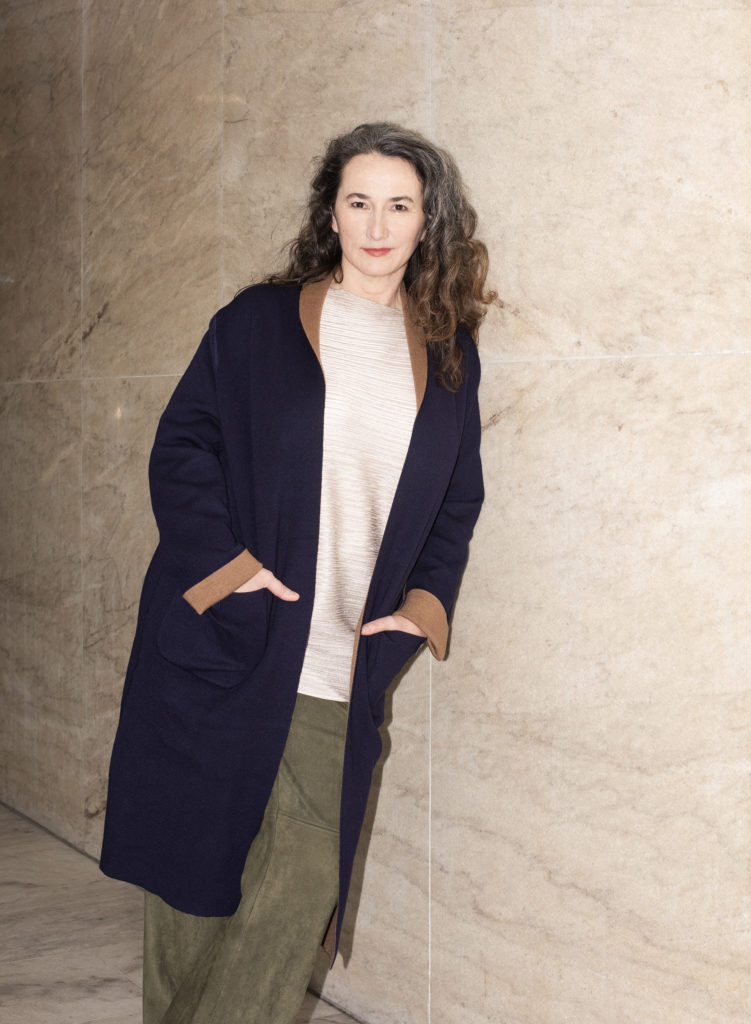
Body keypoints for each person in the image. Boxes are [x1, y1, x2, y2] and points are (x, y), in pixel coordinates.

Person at [100, 121, 494, 1024]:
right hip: (225, 640)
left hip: (338, 666)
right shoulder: (255, 324)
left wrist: (424, 606)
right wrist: (227, 570)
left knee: (303, 882)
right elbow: (182, 448)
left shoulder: (447, 361)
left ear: (427, 220)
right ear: (331, 213)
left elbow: (457, 504)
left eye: (400, 203)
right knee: (191, 892)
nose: (378, 222)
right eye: (359, 201)